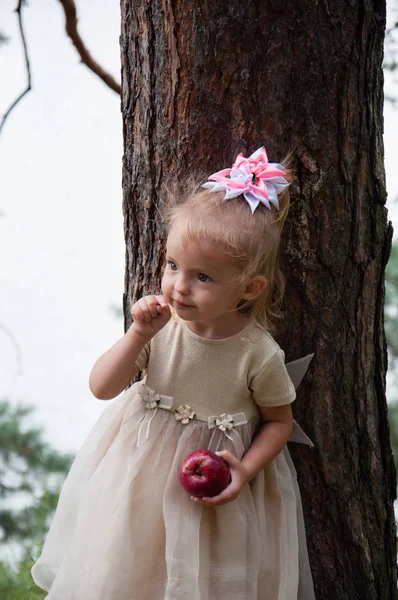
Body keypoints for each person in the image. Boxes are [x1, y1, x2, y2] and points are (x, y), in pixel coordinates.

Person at [31, 147, 315, 600]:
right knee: (127, 568)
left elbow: (279, 421)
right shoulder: (161, 327)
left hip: (214, 495)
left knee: (201, 579)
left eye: (203, 277)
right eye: (173, 266)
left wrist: (244, 470)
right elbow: (102, 387)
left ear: (250, 287)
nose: (179, 285)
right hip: (138, 475)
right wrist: (136, 336)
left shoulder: (257, 353)